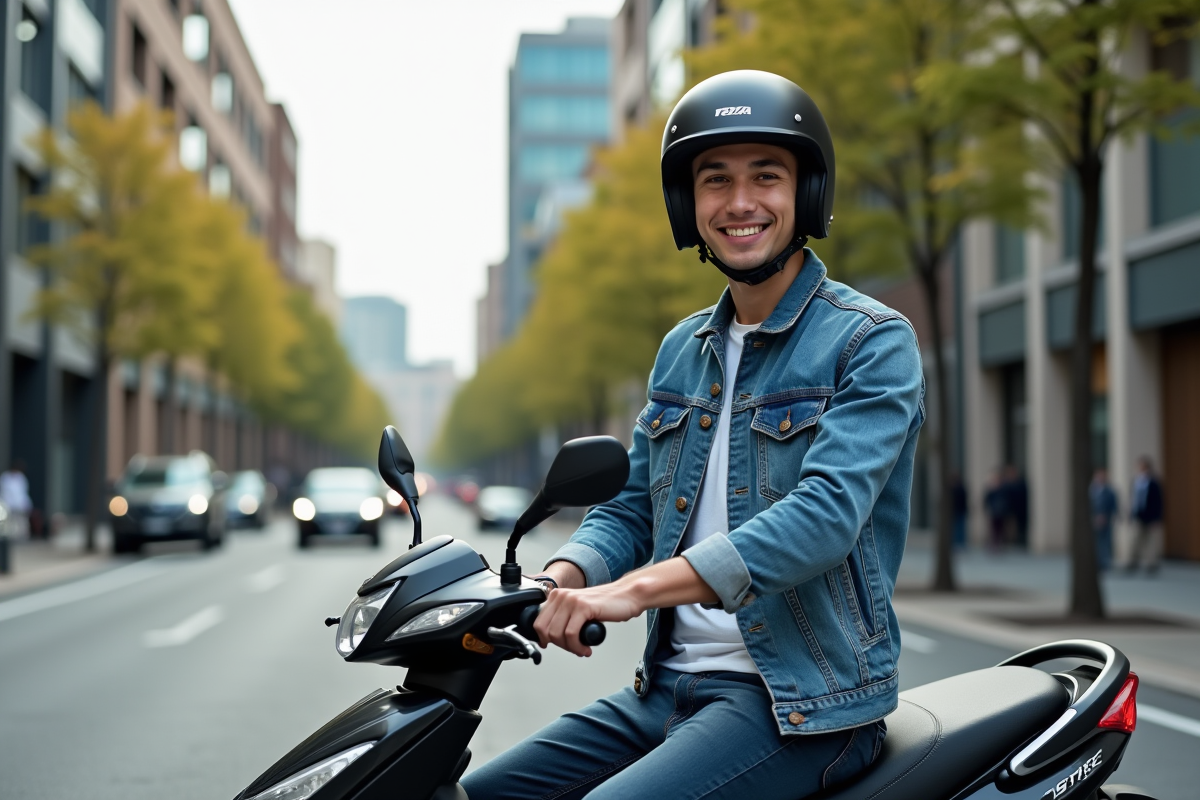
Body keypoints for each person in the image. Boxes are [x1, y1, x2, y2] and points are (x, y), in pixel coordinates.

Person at [462, 71, 925, 800]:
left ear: (806, 193)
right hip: (666, 691)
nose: (740, 203)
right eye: (715, 181)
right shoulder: (684, 349)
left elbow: (824, 519)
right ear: (688, 204)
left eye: (765, 177)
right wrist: (563, 577)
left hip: (799, 707)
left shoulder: (870, 341)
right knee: (477, 793)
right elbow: (631, 507)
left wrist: (634, 591)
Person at [1128, 456, 1164, 575]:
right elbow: (1133, 500)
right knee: (1136, 539)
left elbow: (1159, 501)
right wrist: (1131, 514)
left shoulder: (1153, 483)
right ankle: (1133, 561)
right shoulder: (1136, 481)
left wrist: (1158, 517)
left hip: (1151, 516)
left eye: (1143, 467)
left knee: (1151, 541)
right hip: (1139, 515)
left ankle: (1151, 564)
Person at [1089, 467, 1118, 572]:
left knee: (1105, 542)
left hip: (1106, 520)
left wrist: (1111, 516)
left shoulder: (1110, 491)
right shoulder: (1091, 490)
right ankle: (1096, 562)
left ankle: (1105, 563)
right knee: (1095, 543)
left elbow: (1114, 505)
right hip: (1093, 520)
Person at [0, 460, 33, 540]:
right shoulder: (5, 478)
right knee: (9, 524)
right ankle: (10, 538)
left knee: (21, 523)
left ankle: (21, 538)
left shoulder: (21, 478)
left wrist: (25, 504)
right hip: (8, 505)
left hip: (19, 505)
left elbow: (23, 493)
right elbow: (4, 492)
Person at [984, 468, 1008, 552]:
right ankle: (994, 545)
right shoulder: (991, 489)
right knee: (993, 529)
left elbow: (1007, 499)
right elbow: (986, 500)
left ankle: (1000, 544)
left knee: (1001, 528)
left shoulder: (1003, 489)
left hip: (1001, 512)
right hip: (993, 512)